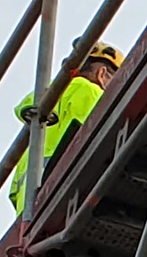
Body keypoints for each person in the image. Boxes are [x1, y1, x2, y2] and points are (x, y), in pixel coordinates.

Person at [9, 41, 123, 215]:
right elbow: (94, 134)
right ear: (102, 74)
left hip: (29, 202)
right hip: (59, 187)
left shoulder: (45, 98)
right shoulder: (89, 90)